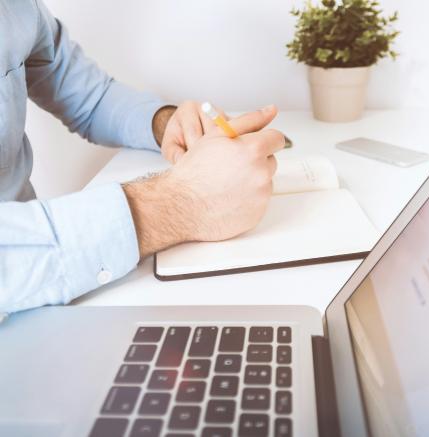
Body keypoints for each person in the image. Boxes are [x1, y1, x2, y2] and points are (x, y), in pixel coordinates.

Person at [0, 0, 284, 314]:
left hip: (45, 304)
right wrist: (179, 203)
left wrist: (167, 124)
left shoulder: (20, 8)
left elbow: (89, 96)